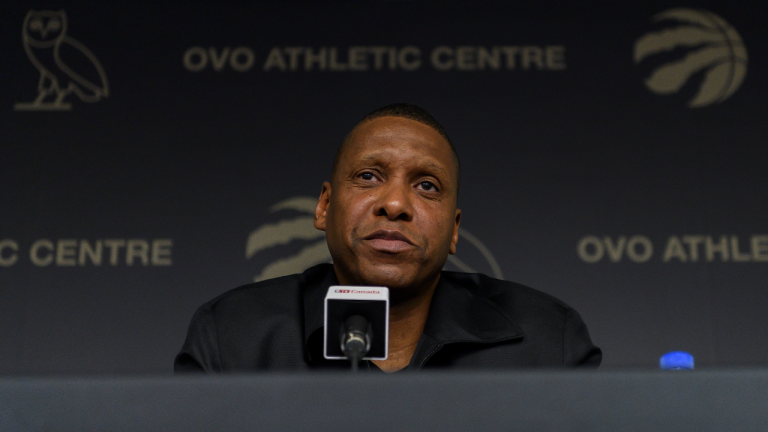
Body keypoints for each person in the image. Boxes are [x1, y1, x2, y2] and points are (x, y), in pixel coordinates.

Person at [175, 103, 601, 372]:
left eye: (427, 186)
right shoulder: (232, 337)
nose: (395, 204)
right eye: (368, 176)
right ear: (324, 207)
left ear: (454, 231)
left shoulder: (547, 341)